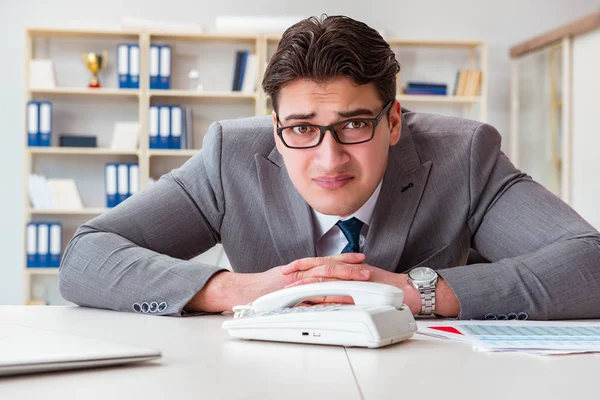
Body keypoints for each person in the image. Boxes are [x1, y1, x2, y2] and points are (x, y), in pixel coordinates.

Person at [59, 15, 600, 320]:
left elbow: (589, 263)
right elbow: (86, 255)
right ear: (275, 129)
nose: (329, 157)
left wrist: (416, 292)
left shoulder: (464, 156)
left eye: (354, 124)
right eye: (300, 129)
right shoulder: (231, 156)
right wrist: (236, 289)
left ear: (393, 122)